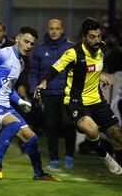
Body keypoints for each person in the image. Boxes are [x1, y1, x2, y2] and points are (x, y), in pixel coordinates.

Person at [34, 17, 122, 187]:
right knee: (92, 129)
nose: (97, 40)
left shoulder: (101, 48)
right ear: (84, 37)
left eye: (99, 36)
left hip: (97, 100)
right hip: (75, 101)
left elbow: (92, 67)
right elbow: (55, 68)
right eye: (92, 37)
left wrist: (100, 76)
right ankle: (105, 156)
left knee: (118, 135)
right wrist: (43, 82)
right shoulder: (73, 53)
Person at [0, 26, 59, 181]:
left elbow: (8, 87)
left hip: (5, 106)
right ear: (18, 39)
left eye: (31, 44)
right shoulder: (4, 54)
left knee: (31, 138)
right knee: (13, 125)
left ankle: (39, 173)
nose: (28, 46)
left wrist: (20, 101)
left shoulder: (20, 63)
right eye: (26, 41)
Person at [29, 19, 76, 169]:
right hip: (48, 94)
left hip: (67, 93)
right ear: (47, 30)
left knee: (69, 125)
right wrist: (33, 89)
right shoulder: (40, 50)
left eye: (57, 28)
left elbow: (79, 70)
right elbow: (34, 72)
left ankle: (69, 155)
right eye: (51, 28)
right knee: (51, 127)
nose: (54, 31)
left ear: (62, 30)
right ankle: (54, 159)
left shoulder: (72, 48)